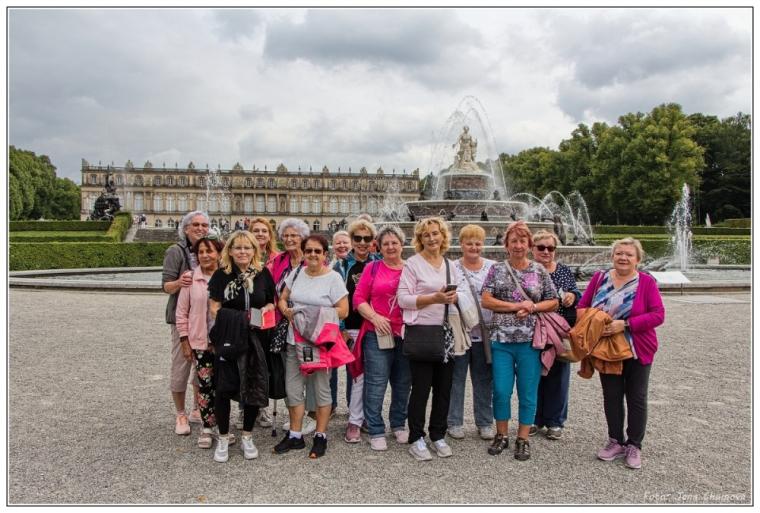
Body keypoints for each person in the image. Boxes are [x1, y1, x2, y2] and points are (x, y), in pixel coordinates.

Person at [577, 238, 664, 470]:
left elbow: (658, 315)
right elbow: (582, 307)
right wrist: (596, 321)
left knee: (637, 397)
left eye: (629, 254)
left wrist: (624, 324)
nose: (623, 258)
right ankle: (615, 440)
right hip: (606, 348)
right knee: (612, 395)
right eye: (619, 253)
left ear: (637, 259)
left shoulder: (646, 282)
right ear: (612, 256)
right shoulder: (599, 279)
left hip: (637, 347)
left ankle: (634, 444)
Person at [481, 221, 559, 461]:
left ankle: (523, 438)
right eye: (513, 241)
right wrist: (516, 306)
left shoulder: (539, 270)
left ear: (529, 245)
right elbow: (486, 300)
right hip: (502, 340)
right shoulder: (496, 269)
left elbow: (553, 301)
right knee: (501, 391)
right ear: (506, 245)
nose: (518, 245)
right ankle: (502, 434)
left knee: (527, 392)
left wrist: (533, 307)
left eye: (522, 241)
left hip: (530, 341)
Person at [275, 234, 349, 459]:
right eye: (309, 251)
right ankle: (295, 434)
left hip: (319, 342)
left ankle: (320, 435)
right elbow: (283, 298)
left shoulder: (333, 278)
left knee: (321, 389)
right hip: (294, 340)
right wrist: (286, 310)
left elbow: (344, 310)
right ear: (304, 253)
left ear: (325, 254)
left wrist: (311, 313)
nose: (313, 255)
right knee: (293, 389)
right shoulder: (297, 273)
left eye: (318, 251)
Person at [397, 216, 463, 461]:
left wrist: (454, 297)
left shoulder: (450, 264)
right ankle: (416, 437)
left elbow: (460, 293)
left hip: (445, 332)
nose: (432, 238)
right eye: (426, 235)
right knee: (421, 388)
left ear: (443, 236)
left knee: (444, 388)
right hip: (422, 332)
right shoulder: (413, 264)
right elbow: (403, 299)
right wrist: (434, 298)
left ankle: (438, 434)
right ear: (420, 239)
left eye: (436, 233)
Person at [208, 230, 276, 463]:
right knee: (224, 388)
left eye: (247, 247)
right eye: (238, 247)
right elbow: (214, 308)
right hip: (229, 336)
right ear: (230, 250)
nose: (243, 251)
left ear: (254, 250)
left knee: (253, 385)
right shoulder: (221, 275)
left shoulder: (262, 273)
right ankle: (223, 437)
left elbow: (270, 301)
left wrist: (267, 309)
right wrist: (239, 320)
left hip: (256, 338)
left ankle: (247, 435)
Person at [352, 225, 411, 451]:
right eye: (386, 243)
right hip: (377, 332)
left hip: (405, 332)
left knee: (403, 382)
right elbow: (358, 298)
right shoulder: (373, 268)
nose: (390, 247)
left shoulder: (411, 268)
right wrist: (375, 317)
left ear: (402, 245)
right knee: (376, 383)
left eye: (394, 242)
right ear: (379, 247)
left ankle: (398, 423)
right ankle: (376, 428)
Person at [175, 233, 225, 449]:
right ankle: (207, 427)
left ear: (219, 253)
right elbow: (181, 313)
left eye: (209, 251)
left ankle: (223, 427)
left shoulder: (227, 276)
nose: (204, 255)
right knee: (205, 386)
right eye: (200, 252)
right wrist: (184, 340)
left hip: (224, 341)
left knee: (223, 386)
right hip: (200, 342)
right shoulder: (190, 278)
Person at [529, 230, 580, 440]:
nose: (546, 251)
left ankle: (555, 421)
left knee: (558, 377)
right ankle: (533, 418)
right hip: (532, 329)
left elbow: (576, 292)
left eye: (550, 248)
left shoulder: (564, 270)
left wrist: (572, 296)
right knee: (532, 375)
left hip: (558, 330)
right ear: (533, 249)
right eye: (541, 247)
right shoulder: (527, 270)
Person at [333, 219, 381, 443]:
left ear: (373, 241)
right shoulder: (341, 266)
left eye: (367, 238)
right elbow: (334, 299)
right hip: (351, 327)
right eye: (357, 238)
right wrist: (341, 329)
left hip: (374, 326)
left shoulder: (379, 263)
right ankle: (354, 420)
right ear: (351, 240)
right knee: (357, 375)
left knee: (374, 376)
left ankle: (366, 416)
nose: (362, 243)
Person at [269, 218, 318, 435]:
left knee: (312, 371)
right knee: (289, 373)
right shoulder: (279, 260)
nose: (289, 239)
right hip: (283, 324)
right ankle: (295, 416)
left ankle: (312, 415)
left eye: (294, 235)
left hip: (309, 325)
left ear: (303, 238)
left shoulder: (312, 259)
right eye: (286, 235)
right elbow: (273, 290)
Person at [161, 211, 209, 436]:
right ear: (186, 228)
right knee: (181, 365)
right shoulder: (175, 251)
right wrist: (180, 282)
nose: (200, 228)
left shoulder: (208, 250)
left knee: (202, 366)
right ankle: (180, 413)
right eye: (196, 225)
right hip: (182, 318)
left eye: (204, 225)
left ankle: (196, 408)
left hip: (204, 317)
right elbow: (166, 286)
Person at [447, 225, 495, 441]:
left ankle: (484, 422)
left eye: (477, 243)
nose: (474, 247)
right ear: (461, 245)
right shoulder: (452, 267)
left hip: (485, 332)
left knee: (483, 379)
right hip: (460, 332)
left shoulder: (492, 267)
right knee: (455, 379)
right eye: (469, 243)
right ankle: (454, 421)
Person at [328, 229, 352, 412]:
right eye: (338, 243)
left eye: (345, 242)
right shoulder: (331, 268)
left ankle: (353, 406)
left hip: (354, 324)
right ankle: (331, 405)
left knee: (353, 367)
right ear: (333, 246)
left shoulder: (357, 266)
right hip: (335, 324)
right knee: (331, 366)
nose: (342, 245)